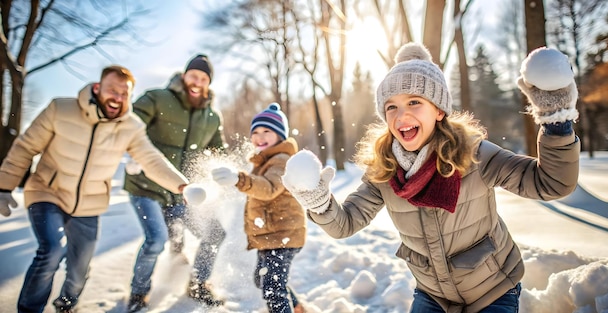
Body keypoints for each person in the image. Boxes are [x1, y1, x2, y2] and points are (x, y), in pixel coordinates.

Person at [282, 42, 580, 313]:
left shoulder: (474, 154)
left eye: (414, 102)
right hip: (433, 296)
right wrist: (319, 201)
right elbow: (345, 224)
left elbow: (550, 183)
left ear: (438, 110)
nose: (401, 116)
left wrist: (557, 122)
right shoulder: (384, 171)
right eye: (391, 107)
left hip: (494, 289)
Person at [0, 65, 190, 313]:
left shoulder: (130, 127)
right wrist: (5, 185)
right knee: (52, 250)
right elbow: (26, 147)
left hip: (89, 203)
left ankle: (67, 305)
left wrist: (181, 185)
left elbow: (151, 160)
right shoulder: (61, 109)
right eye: (113, 90)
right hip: (48, 192)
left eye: (124, 94)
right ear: (98, 88)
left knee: (79, 268)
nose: (118, 98)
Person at [123, 54, 226, 311]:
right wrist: (132, 152)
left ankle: (197, 284)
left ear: (208, 83)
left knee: (214, 233)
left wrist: (229, 170)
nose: (197, 82)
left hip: (181, 194)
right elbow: (129, 124)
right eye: (193, 75)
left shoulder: (211, 117)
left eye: (203, 78)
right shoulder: (158, 98)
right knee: (156, 240)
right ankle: (138, 296)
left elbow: (218, 151)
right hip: (146, 187)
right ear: (184, 75)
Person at [211, 103, 306, 313]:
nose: (259, 136)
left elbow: (269, 188)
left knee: (272, 286)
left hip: (283, 235)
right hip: (271, 235)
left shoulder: (281, 160)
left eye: (267, 131)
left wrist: (239, 179)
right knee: (264, 280)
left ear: (280, 136)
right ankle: (297, 307)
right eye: (255, 132)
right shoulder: (266, 160)